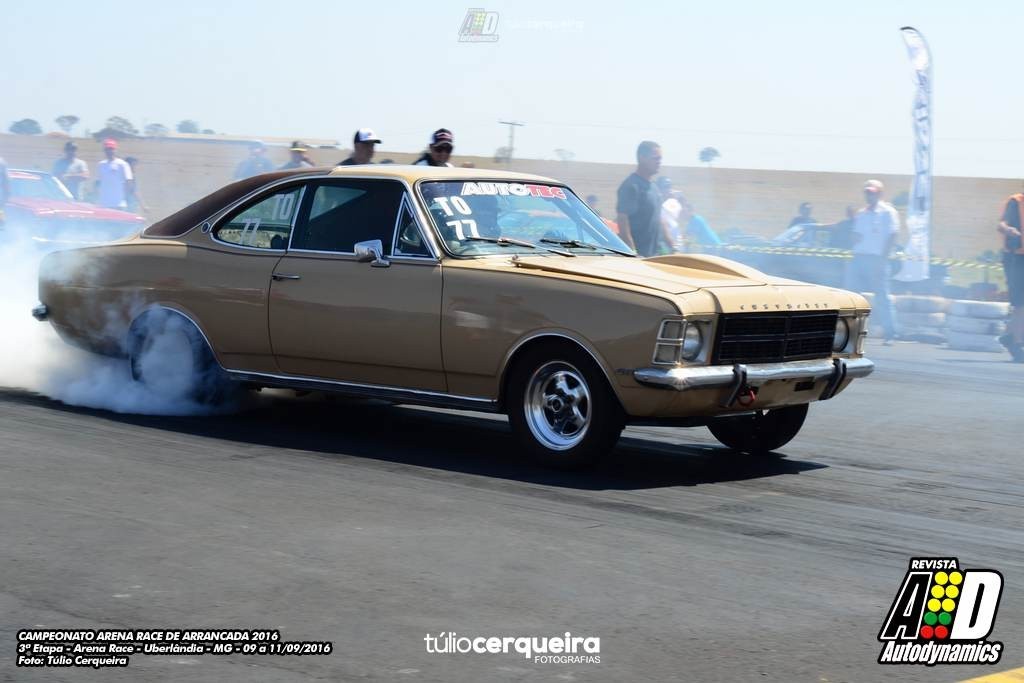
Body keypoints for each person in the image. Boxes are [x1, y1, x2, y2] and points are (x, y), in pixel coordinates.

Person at [846, 179, 900, 344]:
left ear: (879, 194)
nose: (869, 195)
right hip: (859, 258)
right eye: (867, 192)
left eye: (872, 192)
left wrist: (883, 259)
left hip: (877, 259)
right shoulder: (861, 213)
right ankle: (850, 332)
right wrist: (852, 226)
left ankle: (890, 333)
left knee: (882, 297)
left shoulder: (888, 212)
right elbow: (855, 237)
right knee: (852, 295)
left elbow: (893, 235)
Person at [616, 141, 669, 256]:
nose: (659, 162)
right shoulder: (631, 186)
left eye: (660, 159)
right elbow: (622, 220)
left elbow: (659, 220)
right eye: (655, 158)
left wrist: (672, 246)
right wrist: (632, 252)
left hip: (654, 256)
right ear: (642, 158)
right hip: (638, 257)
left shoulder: (654, 188)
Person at [997, 189, 1024, 361]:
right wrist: (1009, 230)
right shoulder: (1016, 202)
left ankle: (1009, 335)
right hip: (1016, 257)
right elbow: (1001, 225)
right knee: (1020, 303)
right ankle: (1016, 343)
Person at [95, 139, 134, 209]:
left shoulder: (122, 164)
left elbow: (129, 181)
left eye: (111, 149)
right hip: (104, 204)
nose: (109, 151)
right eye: (107, 149)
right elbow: (98, 182)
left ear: (115, 150)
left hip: (118, 204)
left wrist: (125, 196)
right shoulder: (101, 164)